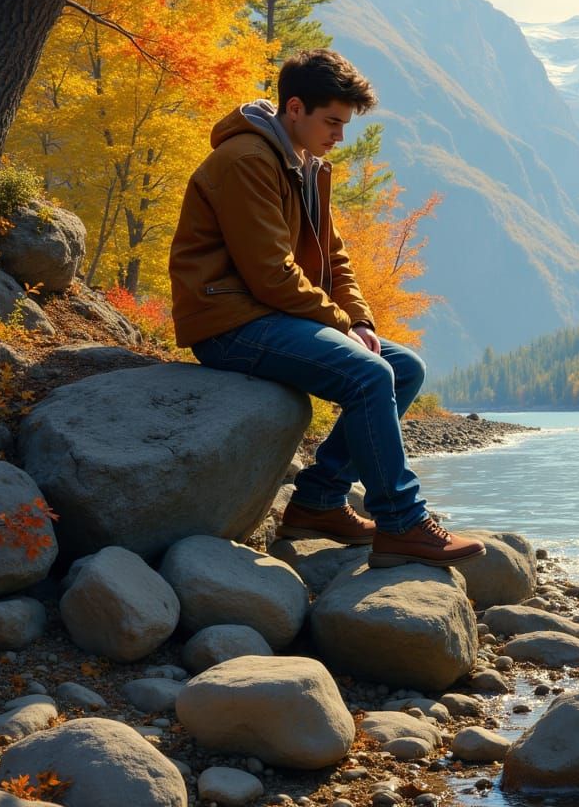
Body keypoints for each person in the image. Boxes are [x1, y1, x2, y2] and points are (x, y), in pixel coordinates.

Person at [169, 48, 485, 569]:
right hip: (228, 320)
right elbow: (270, 274)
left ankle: (318, 500)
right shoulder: (247, 161)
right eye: (332, 122)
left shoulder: (305, 164)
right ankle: (402, 522)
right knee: (367, 375)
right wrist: (339, 324)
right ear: (295, 108)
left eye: (345, 124)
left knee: (403, 368)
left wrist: (359, 320)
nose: (340, 135)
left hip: (267, 314)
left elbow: (334, 259)